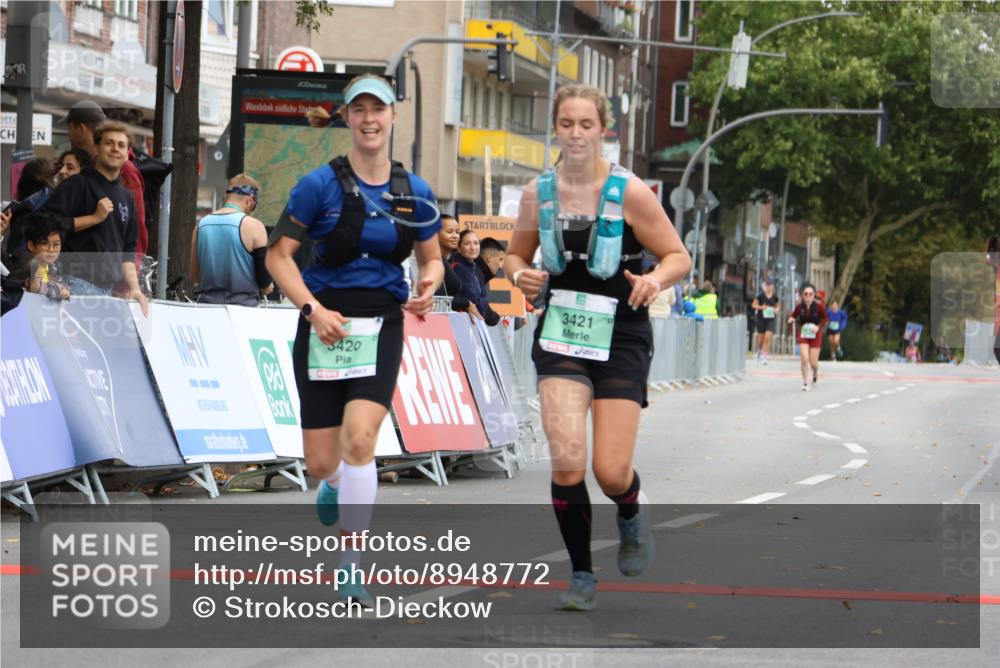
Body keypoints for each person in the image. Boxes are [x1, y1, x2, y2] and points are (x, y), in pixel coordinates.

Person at [503, 84, 691, 611]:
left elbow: (678, 255)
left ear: (603, 129)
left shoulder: (630, 192)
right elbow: (513, 258)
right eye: (568, 124)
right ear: (556, 128)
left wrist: (655, 280)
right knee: (567, 459)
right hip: (562, 333)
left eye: (587, 124)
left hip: (622, 335)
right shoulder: (536, 194)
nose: (577, 133)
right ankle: (582, 575)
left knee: (609, 470)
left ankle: (630, 508)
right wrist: (522, 277)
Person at [265, 74, 443, 608]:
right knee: (322, 461)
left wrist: (429, 283)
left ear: (392, 118)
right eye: (360, 109)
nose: (369, 119)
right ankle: (334, 481)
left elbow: (431, 258)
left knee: (362, 440)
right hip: (323, 322)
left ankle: (351, 565)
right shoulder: (318, 185)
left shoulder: (416, 191)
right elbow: (278, 256)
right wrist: (312, 310)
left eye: (379, 110)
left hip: (382, 322)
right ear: (346, 117)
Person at [42, 121, 148, 314]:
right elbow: (45, 224)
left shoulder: (126, 197)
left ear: (127, 153)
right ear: (97, 148)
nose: (115, 149)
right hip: (74, 283)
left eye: (121, 145)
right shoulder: (77, 184)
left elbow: (128, 250)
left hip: (109, 291)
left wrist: (135, 290)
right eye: (109, 143)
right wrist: (94, 218)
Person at [63, 100, 148, 266]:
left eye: (69, 128)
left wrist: (127, 282)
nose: (68, 135)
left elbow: (135, 230)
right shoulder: (86, 172)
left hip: (105, 280)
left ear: (80, 129)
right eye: (108, 143)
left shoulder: (125, 170)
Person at [190, 174, 272, 306]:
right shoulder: (254, 226)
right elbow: (264, 283)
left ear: (227, 196)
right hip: (243, 311)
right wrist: (269, 287)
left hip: (206, 308)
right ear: (250, 200)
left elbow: (194, 276)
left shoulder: (200, 225)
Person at [453, 229, 500, 326]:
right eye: (467, 243)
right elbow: (473, 299)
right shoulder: (458, 268)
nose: (473, 247)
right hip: (461, 325)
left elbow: (482, 300)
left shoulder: (474, 269)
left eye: (476, 243)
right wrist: (480, 302)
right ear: (458, 247)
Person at [787, 283, 827, 391]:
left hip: (815, 334)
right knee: (805, 358)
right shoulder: (800, 307)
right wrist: (791, 319)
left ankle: (815, 372)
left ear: (814, 296)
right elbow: (793, 315)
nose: (808, 296)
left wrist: (818, 327)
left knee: (813, 362)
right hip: (803, 333)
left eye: (810, 294)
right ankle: (805, 383)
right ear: (802, 295)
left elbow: (825, 319)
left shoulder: (818, 307)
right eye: (806, 294)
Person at [433, 213, 474, 315]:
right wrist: (466, 303)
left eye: (457, 232)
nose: (455, 236)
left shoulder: (444, 261)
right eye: (449, 232)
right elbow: (436, 299)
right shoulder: (432, 262)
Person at [24, 211, 70, 301]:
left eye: (56, 244)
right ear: (31, 245)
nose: (51, 250)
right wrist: (59, 290)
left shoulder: (55, 266)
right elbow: (36, 289)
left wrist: (64, 290)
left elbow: (64, 288)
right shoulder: (31, 264)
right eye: (44, 243)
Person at [751, 278, 780, 364]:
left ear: (773, 286)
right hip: (761, 319)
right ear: (765, 286)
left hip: (770, 319)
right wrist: (761, 307)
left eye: (770, 285)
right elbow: (753, 305)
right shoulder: (760, 296)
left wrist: (776, 310)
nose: (769, 287)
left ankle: (765, 357)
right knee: (761, 340)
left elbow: (778, 306)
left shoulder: (775, 297)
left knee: (767, 338)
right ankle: (759, 352)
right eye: (767, 285)